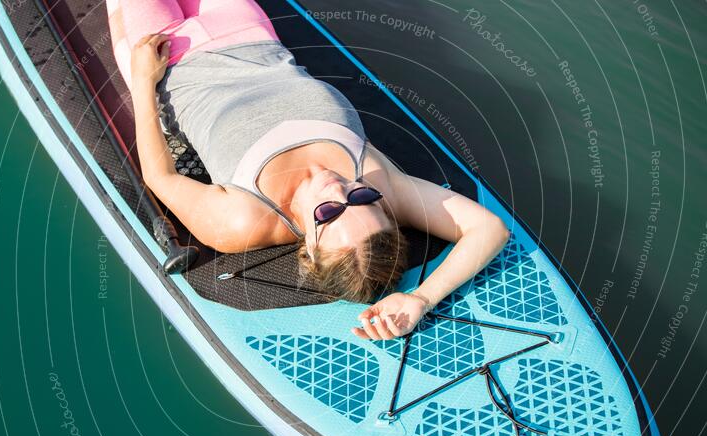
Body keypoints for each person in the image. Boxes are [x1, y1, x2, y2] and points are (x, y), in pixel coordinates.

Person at [106, 0, 509, 340]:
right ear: (382, 207)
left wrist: (143, 81)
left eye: (329, 214)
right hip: (246, 31)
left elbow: (163, 179)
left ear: (309, 250)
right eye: (360, 198)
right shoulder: (382, 182)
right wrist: (421, 298)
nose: (337, 190)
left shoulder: (245, 222)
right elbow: (489, 229)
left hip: (169, 58)